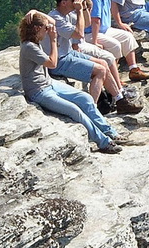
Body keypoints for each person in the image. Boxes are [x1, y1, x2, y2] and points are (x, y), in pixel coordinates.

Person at [18, 10, 125, 154]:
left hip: (49, 83)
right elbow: (52, 63)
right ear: (37, 29)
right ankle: (104, 142)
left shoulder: (35, 41)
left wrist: (34, 12)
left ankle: (110, 132)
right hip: (38, 91)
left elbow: (53, 22)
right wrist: (53, 40)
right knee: (75, 110)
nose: (49, 30)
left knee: (85, 98)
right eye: (45, 28)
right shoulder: (29, 47)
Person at [45, 0, 142, 115]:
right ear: (63, 3)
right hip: (59, 60)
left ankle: (120, 100)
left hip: (68, 53)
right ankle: (92, 109)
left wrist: (84, 8)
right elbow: (79, 34)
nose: (75, 1)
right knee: (100, 71)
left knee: (104, 63)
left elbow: (86, 24)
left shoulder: (67, 14)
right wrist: (79, 11)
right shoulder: (57, 18)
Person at [83, 0, 149, 83]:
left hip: (104, 30)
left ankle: (133, 69)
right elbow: (95, 21)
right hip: (91, 33)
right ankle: (113, 78)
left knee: (127, 36)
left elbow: (110, 11)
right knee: (115, 45)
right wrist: (94, 42)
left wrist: (120, 24)